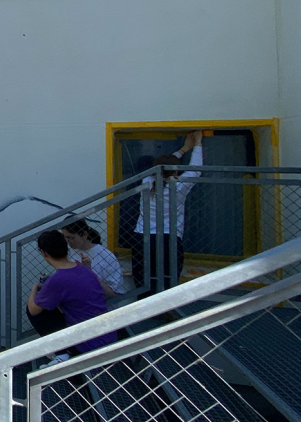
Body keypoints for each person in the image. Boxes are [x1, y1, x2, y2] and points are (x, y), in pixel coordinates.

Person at [27, 230, 117, 366]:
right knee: (47, 305)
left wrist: (34, 288)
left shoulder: (57, 279)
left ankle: (63, 352)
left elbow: (33, 310)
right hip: (106, 334)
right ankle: (63, 352)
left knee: (36, 309)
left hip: (88, 341)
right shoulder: (82, 268)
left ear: (44, 253)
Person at [132, 130, 204, 292]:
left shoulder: (147, 181)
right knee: (168, 281)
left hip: (143, 237)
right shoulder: (179, 185)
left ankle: (141, 306)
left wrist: (183, 149)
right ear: (176, 171)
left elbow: (162, 168)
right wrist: (197, 143)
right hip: (169, 238)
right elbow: (196, 169)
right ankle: (167, 305)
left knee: (143, 281)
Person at [62, 218, 125, 298]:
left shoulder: (106, 256)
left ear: (84, 235)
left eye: (71, 238)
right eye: (65, 237)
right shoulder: (69, 251)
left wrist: (89, 272)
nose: (68, 241)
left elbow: (115, 294)